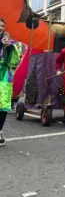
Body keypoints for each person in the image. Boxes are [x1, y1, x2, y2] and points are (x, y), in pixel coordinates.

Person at [0, 18, 20, 146]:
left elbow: (14, 62)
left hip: (4, 76)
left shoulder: (10, 43)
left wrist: (9, 48)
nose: (1, 27)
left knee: (2, 106)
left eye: (2, 25)